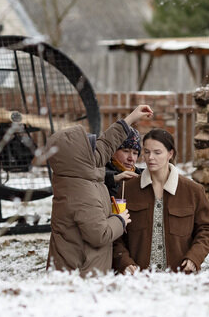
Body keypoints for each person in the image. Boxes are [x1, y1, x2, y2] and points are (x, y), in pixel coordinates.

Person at [46, 104, 154, 276]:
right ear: (81, 157)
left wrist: (131, 118)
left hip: (77, 269)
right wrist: (120, 220)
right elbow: (99, 235)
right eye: (91, 150)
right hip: (82, 275)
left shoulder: (73, 175)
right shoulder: (82, 194)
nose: (97, 150)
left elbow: (106, 144)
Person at [113, 128, 209, 274]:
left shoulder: (193, 191)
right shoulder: (126, 190)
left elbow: (206, 229)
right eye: (147, 152)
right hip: (137, 279)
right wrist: (123, 261)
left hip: (180, 278)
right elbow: (115, 233)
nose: (150, 158)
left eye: (157, 152)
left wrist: (194, 258)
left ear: (170, 153)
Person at [104, 126, 141, 199]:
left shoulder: (142, 176)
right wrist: (114, 179)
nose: (131, 158)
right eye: (126, 151)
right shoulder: (100, 175)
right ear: (113, 152)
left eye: (135, 153)